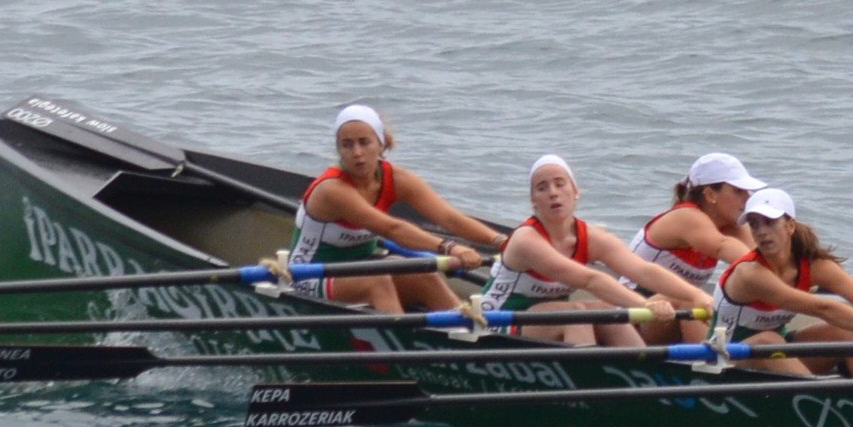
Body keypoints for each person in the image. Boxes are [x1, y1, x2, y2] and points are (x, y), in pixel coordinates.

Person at [291, 105, 501, 316]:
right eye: (347, 145)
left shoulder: (396, 178)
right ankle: (398, 343)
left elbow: (448, 218)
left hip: (361, 267)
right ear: (339, 150)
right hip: (308, 275)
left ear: (381, 144)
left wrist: (501, 242)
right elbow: (393, 229)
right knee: (378, 280)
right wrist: (451, 248)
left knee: (422, 272)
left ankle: (469, 331)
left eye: (364, 142)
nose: (357, 153)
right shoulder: (332, 189)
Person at [476, 157, 709, 346]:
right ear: (534, 201)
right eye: (542, 188)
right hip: (493, 323)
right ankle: (585, 382)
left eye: (560, 183)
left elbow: (644, 271)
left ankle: (644, 372)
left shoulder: (590, 236)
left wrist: (698, 296)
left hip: (541, 320)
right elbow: (591, 279)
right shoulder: (526, 239)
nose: (553, 193)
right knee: (576, 316)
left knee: (603, 310)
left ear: (575, 191)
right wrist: (644, 305)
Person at [708, 190, 853, 374]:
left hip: (775, 355)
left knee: (846, 331)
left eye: (769, 222)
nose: (761, 232)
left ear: (790, 226)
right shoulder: (750, 273)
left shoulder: (814, 265)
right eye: (754, 224)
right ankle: (817, 406)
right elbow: (822, 308)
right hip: (725, 359)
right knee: (768, 340)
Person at [636, 152, 761, 335]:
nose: (747, 198)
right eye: (738, 191)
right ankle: (713, 358)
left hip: (672, 316)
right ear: (710, 194)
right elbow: (725, 248)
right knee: (690, 299)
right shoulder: (686, 217)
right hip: (634, 314)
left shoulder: (730, 225)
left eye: (747, 191)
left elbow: (765, 260)